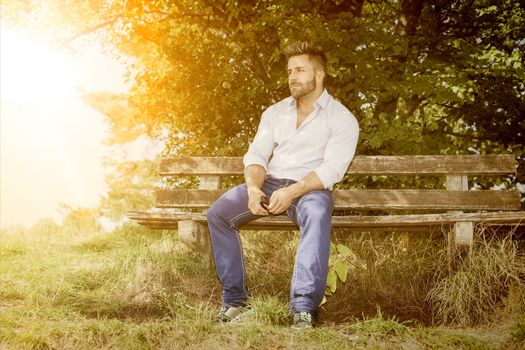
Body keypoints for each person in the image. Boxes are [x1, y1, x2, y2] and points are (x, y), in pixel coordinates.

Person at [206, 42, 359, 329]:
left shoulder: (341, 118)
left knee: (316, 215)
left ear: (320, 74)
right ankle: (235, 302)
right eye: (290, 71)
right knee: (218, 214)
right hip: (270, 184)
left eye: (300, 70)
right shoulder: (275, 113)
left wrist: (292, 191)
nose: (292, 77)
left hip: (310, 191)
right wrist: (253, 188)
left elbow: (331, 170)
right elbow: (257, 155)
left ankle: (303, 308)